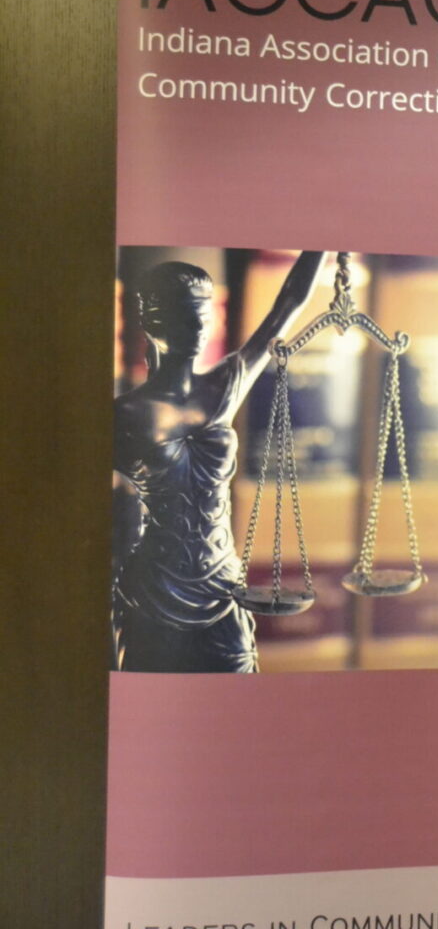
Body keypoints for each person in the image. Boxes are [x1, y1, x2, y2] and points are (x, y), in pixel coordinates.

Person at [112, 251, 327, 673]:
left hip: (223, 586)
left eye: (203, 315)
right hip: (156, 587)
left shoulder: (225, 386)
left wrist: (324, 246)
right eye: (184, 316)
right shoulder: (125, 414)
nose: (197, 327)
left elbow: (289, 304)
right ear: (155, 324)